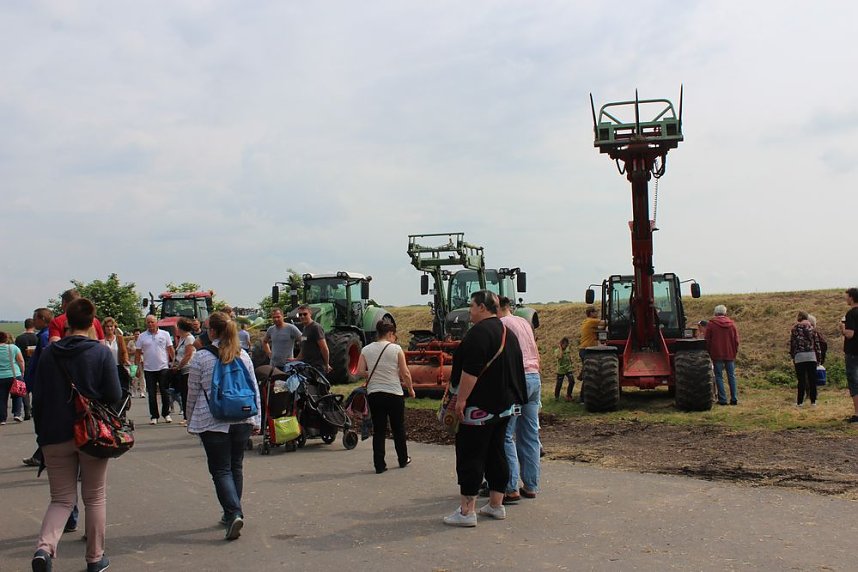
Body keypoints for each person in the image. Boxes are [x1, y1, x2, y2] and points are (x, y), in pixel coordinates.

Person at [31, 297, 121, 572]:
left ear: (66, 321)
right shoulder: (101, 352)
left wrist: (41, 434)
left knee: (61, 499)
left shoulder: (48, 354)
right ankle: (95, 558)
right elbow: (114, 395)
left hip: (54, 433)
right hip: (91, 433)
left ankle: (44, 549)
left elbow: (38, 396)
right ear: (92, 321)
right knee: (94, 497)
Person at [443, 290, 526, 527]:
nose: (469, 310)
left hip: (479, 407)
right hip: (504, 406)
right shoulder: (506, 332)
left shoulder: (478, 333)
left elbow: (471, 371)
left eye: (471, 305)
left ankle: (467, 511)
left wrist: (461, 400)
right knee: (496, 452)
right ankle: (496, 505)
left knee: (471, 455)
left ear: (481, 307)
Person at [186, 311, 261, 541]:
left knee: (220, 470)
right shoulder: (243, 356)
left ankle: (233, 512)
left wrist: (190, 419)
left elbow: (192, 392)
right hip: (242, 418)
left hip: (213, 421)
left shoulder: (201, 357)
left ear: (212, 332)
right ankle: (232, 512)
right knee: (236, 466)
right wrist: (256, 420)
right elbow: (254, 388)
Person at [356, 321, 415, 474]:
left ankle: (379, 464)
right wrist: (410, 388)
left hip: (375, 394)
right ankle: (402, 459)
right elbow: (405, 373)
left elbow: (360, 371)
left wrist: (374, 374)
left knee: (379, 430)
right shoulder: (396, 349)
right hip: (394, 393)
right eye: (394, 335)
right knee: (398, 428)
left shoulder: (366, 349)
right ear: (390, 333)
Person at [497, 296, 540, 502]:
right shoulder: (524, 322)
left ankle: (510, 486)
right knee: (530, 434)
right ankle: (530, 486)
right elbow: (536, 352)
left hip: (516, 381)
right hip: (534, 379)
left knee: (506, 434)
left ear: (497, 307)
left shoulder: (501, 325)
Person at [23, 308, 54, 467]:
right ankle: (41, 454)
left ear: (42, 319)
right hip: (40, 384)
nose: (33, 322)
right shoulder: (43, 335)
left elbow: (41, 363)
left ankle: (44, 454)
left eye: (36, 319)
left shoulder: (44, 337)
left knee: (41, 420)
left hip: (42, 385)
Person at [135, 314, 175, 424]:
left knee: (165, 392)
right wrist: (135, 369)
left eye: (152, 322)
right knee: (152, 394)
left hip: (163, 367)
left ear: (156, 322)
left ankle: (166, 414)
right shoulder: (142, 336)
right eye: (148, 322)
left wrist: (174, 362)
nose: (150, 324)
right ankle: (154, 416)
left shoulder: (165, 334)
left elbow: (170, 349)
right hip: (149, 369)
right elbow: (137, 353)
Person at [705, 304, 740, 405]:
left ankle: (722, 399)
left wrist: (708, 351)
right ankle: (734, 398)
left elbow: (707, 340)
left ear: (715, 313)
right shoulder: (732, 324)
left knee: (719, 376)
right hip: (730, 353)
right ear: (725, 313)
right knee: (731, 375)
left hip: (717, 353)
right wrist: (734, 352)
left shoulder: (711, 324)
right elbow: (736, 340)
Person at [789, 311, 820, 407]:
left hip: (799, 356)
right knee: (812, 380)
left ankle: (800, 402)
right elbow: (817, 344)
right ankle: (813, 402)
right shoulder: (812, 328)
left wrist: (793, 356)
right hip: (811, 356)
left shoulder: (794, 329)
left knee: (801, 380)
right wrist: (818, 357)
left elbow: (792, 344)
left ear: (799, 318)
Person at [171, 317, 196, 426]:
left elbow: (188, 355)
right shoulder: (181, 338)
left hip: (188, 369)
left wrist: (179, 366)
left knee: (187, 394)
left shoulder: (189, 339)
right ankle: (187, 416)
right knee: (183, 393)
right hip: (182, 369)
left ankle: (189, 418)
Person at [839, 287, 858, 423]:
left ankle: (857, 413)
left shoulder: (851, 314)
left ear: (851, 297)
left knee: (854, 382)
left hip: (853, 353)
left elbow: (850, 334)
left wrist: (842, 329)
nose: (845, 299)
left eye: (846, 296)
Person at [296, 305, 332, 374]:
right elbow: (304, 346)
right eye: (300, 315)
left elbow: (324, 348)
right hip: (306, 366)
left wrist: (327, 364)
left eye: (305, 314)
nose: (302, 316)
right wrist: (296, 359)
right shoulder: (305, 328)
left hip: (316, 366)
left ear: (310, 314)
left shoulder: (316, 327)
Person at [101, 317, 130, 402]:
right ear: (104, 328)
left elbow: (124, 352)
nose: (109, 328)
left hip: (119, 367)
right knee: (109, 390)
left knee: (122, 389)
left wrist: (126, 360)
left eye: (111, 326)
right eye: (107, 326)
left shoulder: (119, 338)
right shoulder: (102, 340)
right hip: (106, 368)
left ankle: (122, 411)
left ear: (114, 327)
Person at [0, 330, 26, 424]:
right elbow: (20, 360)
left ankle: (2, 419)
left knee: (2, 398)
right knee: (17, 395)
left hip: (1, 377)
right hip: (14, 374)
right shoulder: (13, 348)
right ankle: (17, 414)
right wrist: (22, 371)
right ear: (6, 338)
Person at [15, 318, 38, 420]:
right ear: (33, 326)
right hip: (36, 365)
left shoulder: (19, 338)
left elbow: (17, 354)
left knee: (25, 389)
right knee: (36, 389)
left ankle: (27, 410)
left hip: (24, 364)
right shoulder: (38, 337)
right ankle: (35, 410)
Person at [127, 329, 145, 398]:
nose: (137, 335)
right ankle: (134, 391)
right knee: (133, 376)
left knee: (142, 376)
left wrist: (139, 352)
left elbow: (144, 351)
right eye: (136, 334)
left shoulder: (142, 342)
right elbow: (128, 352)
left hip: (141, 360)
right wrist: (135, 352)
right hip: (133, 361)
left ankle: (142, 392)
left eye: (138, 334)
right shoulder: (131, 342)